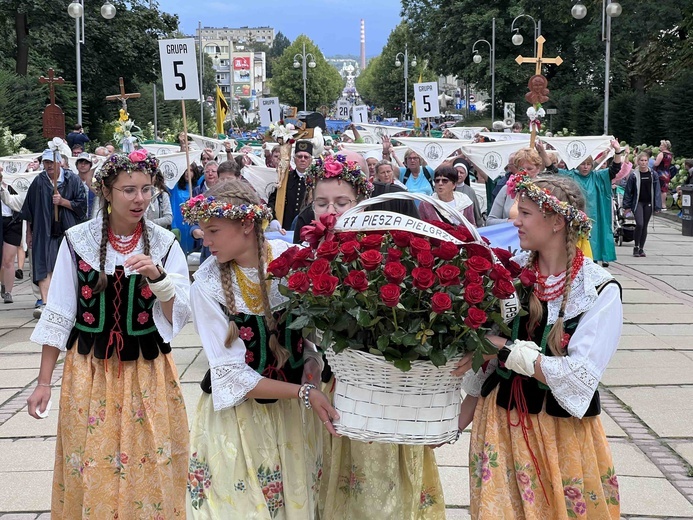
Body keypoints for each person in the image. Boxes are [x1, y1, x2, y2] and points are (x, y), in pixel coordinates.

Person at [26, 150, 191, 517]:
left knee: (150, 458)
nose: (140, 199)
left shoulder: (164, 243)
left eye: (147, 190)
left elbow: (176, 317)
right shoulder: (77, 241)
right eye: (129, 190)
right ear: (106, 191)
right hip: (90, 370)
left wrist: (159, 279)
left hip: (147, 370)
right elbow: (60, 313)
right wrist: (42, 382)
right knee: (89, 459)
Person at [454, 173, 622, 519]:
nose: (515, 220)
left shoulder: (598, 290)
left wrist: (503, 348)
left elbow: (578, 377)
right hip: (499, 424)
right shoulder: (512, 277)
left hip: (559, 433)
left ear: (557, 222)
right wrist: (448, 426)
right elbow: (484, 366)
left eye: (526, 213)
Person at [300, 155, 445, 519]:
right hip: (334, 392)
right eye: (321, 203)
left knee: (391, 492)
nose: (330, 210)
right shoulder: (305, 255)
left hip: (386, 395)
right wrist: (310, 362)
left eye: (341, 202)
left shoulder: (387, 252)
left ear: (361, 204)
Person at [182, 180, 337, 517]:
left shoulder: (291, 262)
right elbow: (232, 375)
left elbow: (308, 341)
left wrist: (311, 368)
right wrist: (305, 393)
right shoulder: (207, 285)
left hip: (294, 415)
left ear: (247, 225)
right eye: (202, 231)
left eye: (213, 231)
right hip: (240, 419)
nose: (204, 240)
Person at [20, 149, 87, 318]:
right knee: (44, 265)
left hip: (67, 230)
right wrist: (29, 234)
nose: (49, 166)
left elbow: (82, 206)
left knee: (66, 265)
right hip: (43, 231)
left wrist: (63, 202)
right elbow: (29, 209)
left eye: (52, 162)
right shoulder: (39, 181)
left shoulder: (73, 180)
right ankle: (46, 304)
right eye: (46, 162)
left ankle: (68, 303)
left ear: (60, 163)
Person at [544, 140, 623, 267]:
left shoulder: (599, 176)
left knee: (593, 250)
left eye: (588, 164)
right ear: (577, 165)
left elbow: (615, 168)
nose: (585, 167)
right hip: (575, 220)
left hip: (596, 220)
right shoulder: (570, 175)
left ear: (592, 165)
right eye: (582, 164)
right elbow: (552, 170)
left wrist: (617, 151)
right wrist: (542, 152)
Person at [487, 148, 544, 226]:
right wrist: (510, 222)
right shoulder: (507, 188)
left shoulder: (545, 189)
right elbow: (490, 221)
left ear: (538, 169)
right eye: (521, 169)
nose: (525, 172)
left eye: (530, 169)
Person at [267, 140, 313, 230]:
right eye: (299, 156)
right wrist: (273, 219)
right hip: (285, 228)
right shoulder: (285, 178)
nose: (302, 159)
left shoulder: (314, 180)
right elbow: (272, 201)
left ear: (310, 160)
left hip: (307, 229)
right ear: (294, 159)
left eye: (306, 157)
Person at [623, 152, 661, 257]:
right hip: (638, 202)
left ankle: (641, 248)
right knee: (639, 224)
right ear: (638, 162)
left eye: (645, 161)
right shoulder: (634, 175)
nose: (643, 163)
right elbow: (628, 191)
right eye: (641, 160)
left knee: (645, 226)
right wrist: (627, 206)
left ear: (648, 162)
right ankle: (635, 246)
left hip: (648, 203)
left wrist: (658, 205)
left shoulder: (653, 174)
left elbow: (657, 190)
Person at [1, 168, 22, 303]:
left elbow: (20, 203)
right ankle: (3, 284)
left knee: (8, 260)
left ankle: (8, 291)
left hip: (13, 223)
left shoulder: (15, 184)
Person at [453, 159, 484, 226]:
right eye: (456, 172)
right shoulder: (446, 188)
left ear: (466, 175)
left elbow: (476, 213)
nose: (458, 175)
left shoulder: (470, 191)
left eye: (461, 173)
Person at [74, 152, 97, 218]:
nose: (83, 165)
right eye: (81, 162)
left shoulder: (96, 182)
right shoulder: (71, 181)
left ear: (90, 166)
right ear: (77, 165)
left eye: (86, 163)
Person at [653, 140, 673, 210]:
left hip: (660, 173)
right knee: (664, 189)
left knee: (660, 189)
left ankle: (660, 205)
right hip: (667, 173)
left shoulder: (662, 154)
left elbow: (656, 164)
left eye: (661, 145)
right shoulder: (670, 154)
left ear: (664, 146)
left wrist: (653, 161)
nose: (660, 146)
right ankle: (663, 205)